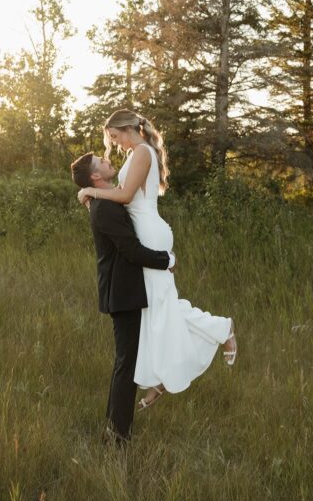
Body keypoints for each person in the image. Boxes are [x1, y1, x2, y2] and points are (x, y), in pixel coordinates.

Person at [77, 109, 237, 411]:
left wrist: (90, 191)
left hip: (149, 234)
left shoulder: (141, 153)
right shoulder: (135, 154)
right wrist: (95, 196)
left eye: (113, 137)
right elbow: (122, 194)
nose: (114, 144)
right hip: (146, 231)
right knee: (158, 310)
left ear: (124, 129)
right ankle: (160, 377)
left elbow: (124, 197)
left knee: (163, 307)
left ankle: (221, 329)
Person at [70, 150, 175, 444]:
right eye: (101, 163)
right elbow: (131, 250)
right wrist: (166, 260)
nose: (107, 160)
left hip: (123, 291)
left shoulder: (105, 200)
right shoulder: (104, 209)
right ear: (95, 176)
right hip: (123, 292)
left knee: (125, 362)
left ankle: (114, 427)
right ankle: (118, 436)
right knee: (126, 364)